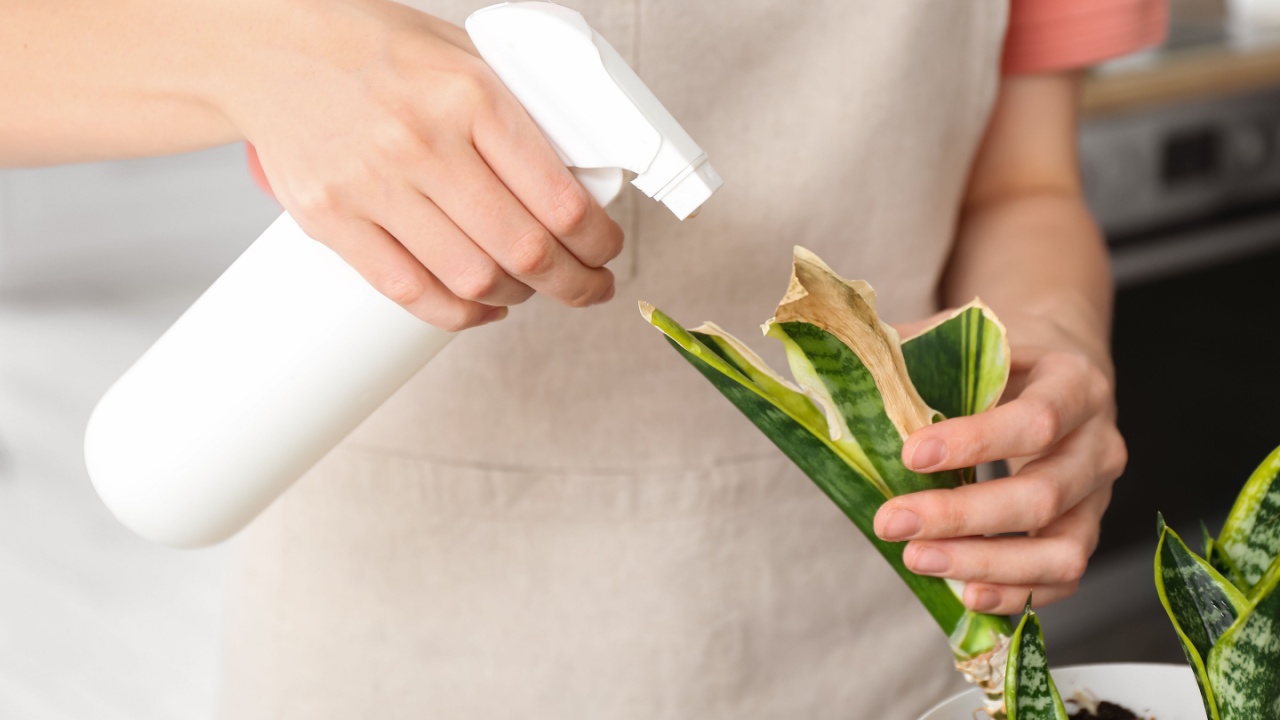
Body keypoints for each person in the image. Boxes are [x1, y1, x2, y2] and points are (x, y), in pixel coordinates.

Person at [1, 0, 1162, 716]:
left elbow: (1022, 184)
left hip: (878, 618)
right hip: (408, 635)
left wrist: (1048, 336)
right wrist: (256, 44)